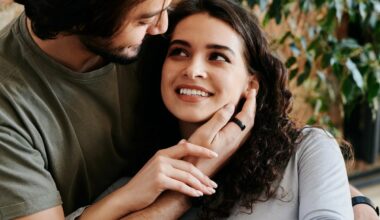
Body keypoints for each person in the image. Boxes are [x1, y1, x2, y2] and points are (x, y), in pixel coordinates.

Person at [0, 0, 257, 219]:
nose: (162, 28)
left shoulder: (154, 30)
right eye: (144, 19)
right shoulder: (8, 106)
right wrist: (182, 191)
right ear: (84, 17)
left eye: (166, 7)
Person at [116, 0, 355, 218]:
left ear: (251, 83)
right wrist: (180, 197)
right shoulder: (145, 176)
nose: (193, 70)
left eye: (217, 56)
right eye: (179, 52)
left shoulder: (306, 151)